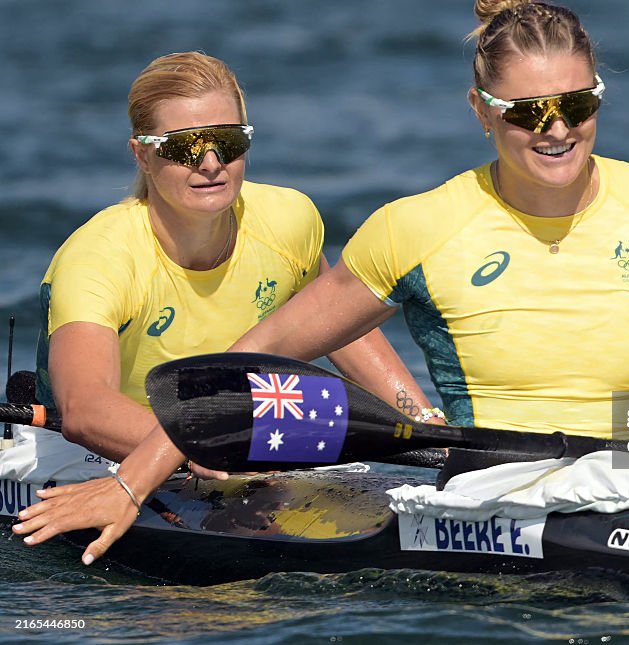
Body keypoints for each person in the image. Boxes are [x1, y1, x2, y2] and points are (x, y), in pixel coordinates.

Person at [14, 2, 629, 564]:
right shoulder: (419, 228)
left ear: (596, 97)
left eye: (574, 101)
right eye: (526, 110)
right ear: (482, 110)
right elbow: (252, 362)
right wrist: (127, 482)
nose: (555, 128)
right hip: (494, 490)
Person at [5, 52, 435, 484]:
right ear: (142, 154)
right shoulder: (99, 256)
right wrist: (194, 452)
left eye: (226, 141)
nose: (211, 163)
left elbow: (338, 322)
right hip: (87, 448)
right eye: (184, 146)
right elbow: (86, 409)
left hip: (232, 439)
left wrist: (426, 428)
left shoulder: (289, 219)